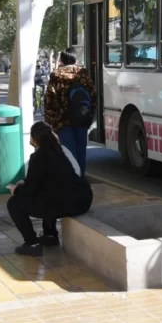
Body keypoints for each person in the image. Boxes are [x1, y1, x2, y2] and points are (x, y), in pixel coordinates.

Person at [7, 122, 93, 256]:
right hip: (83, 200)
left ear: (34, 139)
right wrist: (26, 182)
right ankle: (50, 235)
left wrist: (16, 190)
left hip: (66, 204)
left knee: (14, 204)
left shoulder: (38, 157)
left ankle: (32, 244)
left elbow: (30, 190)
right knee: (50, 192)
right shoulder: (62, 150)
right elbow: (73, 172)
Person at [43, 48, 96, 176]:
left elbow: (49, 100)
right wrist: (88, 116)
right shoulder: (83, 74)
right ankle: (80, 179)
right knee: (81, 151)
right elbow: (93, 96)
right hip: (81, 119)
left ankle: (72, 179)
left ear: (61, 61)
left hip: (63, 121)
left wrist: (51, 120)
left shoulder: (56, 76)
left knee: (69, 152)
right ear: (75, 59)